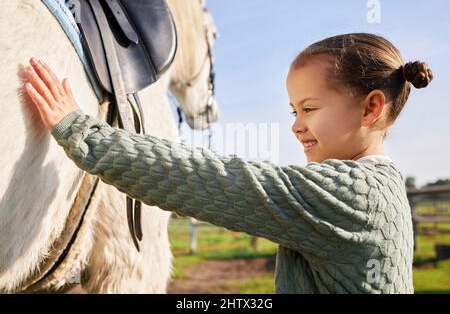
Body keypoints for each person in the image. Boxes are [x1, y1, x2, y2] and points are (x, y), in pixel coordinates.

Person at [24, 33, 433, 293]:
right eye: (293, 111)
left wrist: (81, 131)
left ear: (371, 108)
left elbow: (211, 180)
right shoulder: (385, 186)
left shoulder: (349, 194)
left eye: (309, 108)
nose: (297, 126)